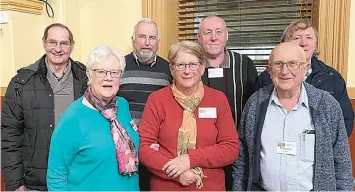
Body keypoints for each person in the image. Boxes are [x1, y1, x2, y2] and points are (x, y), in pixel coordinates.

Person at [232, 42, 353, 191]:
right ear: (269, 70)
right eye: (278, 64)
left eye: (292, 64)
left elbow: (342, 164)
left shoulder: (327, 105)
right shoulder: (255, 104)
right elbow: (242, 159)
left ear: (305, 69)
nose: (285, 71)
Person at [139, 41, 239, 191]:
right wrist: (176, 174)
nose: (187, 71)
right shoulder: (157, 100)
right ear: (172, 69)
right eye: (180, 65)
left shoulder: (218, 99)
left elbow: (231, 149)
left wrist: (190, 159)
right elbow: (144, 148)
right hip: (166, 186)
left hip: (209, 187)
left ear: (202, 68)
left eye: (193, 64)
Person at [1, 23, 88, 191]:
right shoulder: (21, 83)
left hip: (78, 178)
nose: (58, 48)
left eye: (64, 43)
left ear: (72, 46)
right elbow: (9, 134)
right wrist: (14, 182)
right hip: (35, 182)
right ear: (44, 43)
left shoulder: (86, 79)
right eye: (52, 42)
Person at [46, 45, 139, 191]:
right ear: (89, 75)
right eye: (101, 72)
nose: (108, 78)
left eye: (114, 72)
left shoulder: (123, 106)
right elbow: (56, 175)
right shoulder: (73, 118)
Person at [255, 19, 354, 137]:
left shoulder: (332, 77)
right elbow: (255, 119)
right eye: (297, 38)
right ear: (285, 43)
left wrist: (323, 147)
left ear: (316, 44)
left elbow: (345, 121)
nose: (303, 43)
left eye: (309, 37)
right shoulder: (268, 77)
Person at [197, 15, 258, 190]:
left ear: (227, 35)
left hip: (238, 150)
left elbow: (254, 105)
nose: (214, 37)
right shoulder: (191, 65)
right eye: (208, 32)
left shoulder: (244, 64)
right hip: (200, 151)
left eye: (219, 32)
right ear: (198, 37)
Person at [117, 18, 172, 190]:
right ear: (133, 40)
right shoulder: (119, 66)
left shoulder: (169, 69)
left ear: (158, 42)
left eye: (152, 38)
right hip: (125, 147)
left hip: (157, 148)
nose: (147, 43)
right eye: (142, 37)